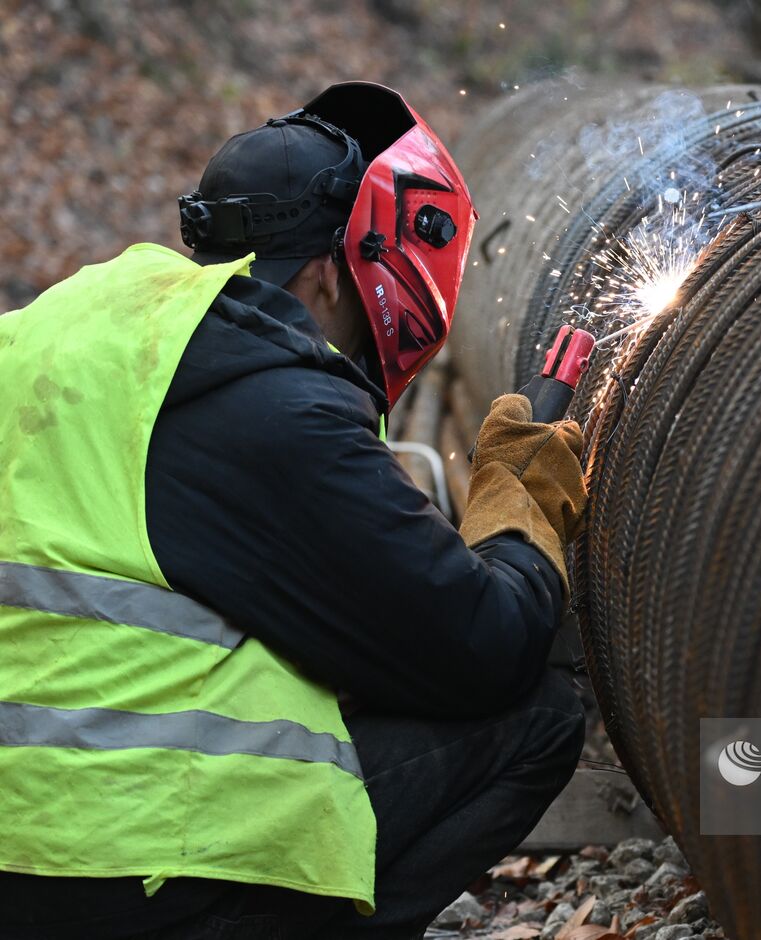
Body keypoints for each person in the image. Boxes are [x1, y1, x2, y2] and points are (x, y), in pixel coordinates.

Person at [0, 82, 587, 938]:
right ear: (328, 273)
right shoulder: (272, 406)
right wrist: (517, 494)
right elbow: (483, 643)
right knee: (535, 713)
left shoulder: (64, 337)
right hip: (128, 867)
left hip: (22, 842)